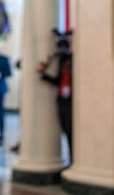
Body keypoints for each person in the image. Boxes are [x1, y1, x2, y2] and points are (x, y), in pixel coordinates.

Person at [36, 30, 73, 161]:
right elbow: (58, 80)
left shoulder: (74, 61)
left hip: (72, 101)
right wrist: (43, 75)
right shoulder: (61, 61)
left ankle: (72, 158)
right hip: (61, 99)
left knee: (70, 131)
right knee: (64, 128)